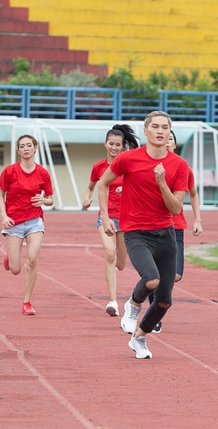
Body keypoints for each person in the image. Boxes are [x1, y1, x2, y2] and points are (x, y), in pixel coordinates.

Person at [98, 111, 189, 359]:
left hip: (166, 234)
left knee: (164, 301)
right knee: (151, 280)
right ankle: (133, 304)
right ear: (146, 130)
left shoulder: (179, 165)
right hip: (136, 233)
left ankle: (139, 337)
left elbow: (176, 208)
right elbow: (103, 183)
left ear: (170, 133)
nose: (161, 131)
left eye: (165, 128)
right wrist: (105, 217)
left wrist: (162, 183)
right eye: (156, 127)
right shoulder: (128, 159)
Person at [82, 124, 139, 317]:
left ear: (123, 147)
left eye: (118, 144)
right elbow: (91, 187)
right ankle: (113, 301)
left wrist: (128, 190)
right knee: (109, 253)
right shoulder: (98, 167)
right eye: (111, 144)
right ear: (105, 144)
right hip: (105, 216)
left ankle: (114, 266)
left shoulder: (128, 165)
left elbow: (139, 186)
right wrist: (87, 197)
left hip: (126, 217)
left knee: (121, 263)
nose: (114, 147)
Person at [149, 130, 203, 334]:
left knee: (175, 275)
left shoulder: (182, 168)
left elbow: (193, 194)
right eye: (165, 138)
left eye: (171, 138)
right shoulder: (149, 166)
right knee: (153, 275)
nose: (167, 141)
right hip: (153, 227)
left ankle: (154, 305)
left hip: (176, 227)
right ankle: (153, 316)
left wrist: (197, 219)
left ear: (174, 144)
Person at [0, 134, 54, 315]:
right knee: (15, 269)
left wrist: (44, 201)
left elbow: (51, 199)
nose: (26, 148)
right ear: (18, 150)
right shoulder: (9, 171)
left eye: (29, 145)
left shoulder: (43, 173)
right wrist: (4, 216)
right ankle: (10, 256)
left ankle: (27, 302)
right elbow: (1, 195)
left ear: (35, 148)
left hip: (34, 221)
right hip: (13, 221)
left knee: (32, 259)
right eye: (22, 146)